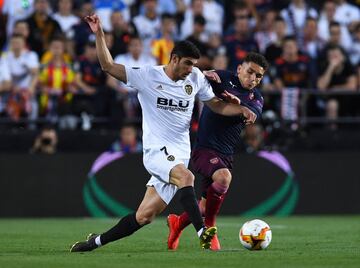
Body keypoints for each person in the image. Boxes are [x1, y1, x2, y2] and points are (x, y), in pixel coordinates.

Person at [70, 14, 257, 252]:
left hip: (179, 154)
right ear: (174, 58)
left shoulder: (196, 78)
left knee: (144, 216)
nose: (191, 69)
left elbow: (217, 105)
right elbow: (108, 66)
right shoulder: (147, 76)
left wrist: (241, 109)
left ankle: (94, 242)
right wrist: (99, 34)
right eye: (187, 63)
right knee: (187, 178)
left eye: (194, 65)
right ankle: (203, 232)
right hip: (156, 151)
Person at [167, 52, 269, 251]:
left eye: (258, 76)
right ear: (239, 69)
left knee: (204, 206)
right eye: (250, 72)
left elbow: (248, 115)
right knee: (223, 177)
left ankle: (177, 224)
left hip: (225, 153)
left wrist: (231, 99)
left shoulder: (256, 98)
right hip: (204, 147)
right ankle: (210, 226)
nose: (253, 79)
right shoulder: (222, 77)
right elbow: (196, 80)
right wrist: (205, 76)